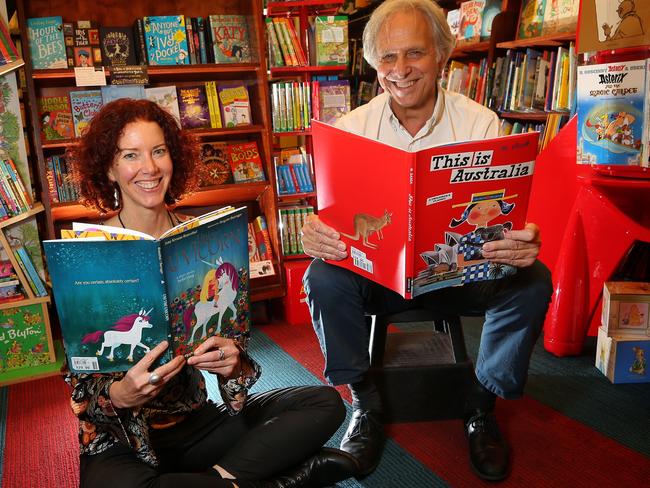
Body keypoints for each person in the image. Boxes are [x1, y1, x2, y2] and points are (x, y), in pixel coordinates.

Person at [300, 0, 553, 482]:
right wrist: (319, 235)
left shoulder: (481, 124)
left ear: (441, 55)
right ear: (375, 65)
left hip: (458, 273)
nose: (400, 70)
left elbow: (502, 213)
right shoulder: (349, 130)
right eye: (387, 58)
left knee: (534, 279)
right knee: (323, 277)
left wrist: (521, 240)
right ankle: (365, 404)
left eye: (414, 53)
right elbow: (333, 221)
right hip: (379, 277)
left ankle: (481, 405)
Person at [63, 99, 359, 488]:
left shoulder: (204, 239)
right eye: (131, 155)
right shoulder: (85, 254)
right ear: (109, 168)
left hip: (200, 425)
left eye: (158, 151)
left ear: (174, 157)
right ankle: (273, 481)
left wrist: (233, 364)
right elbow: (82, 386)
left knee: (322, 402)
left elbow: (235, 357)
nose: (149, 168)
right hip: (122, 443)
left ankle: (217, 481)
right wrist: (119, 395)